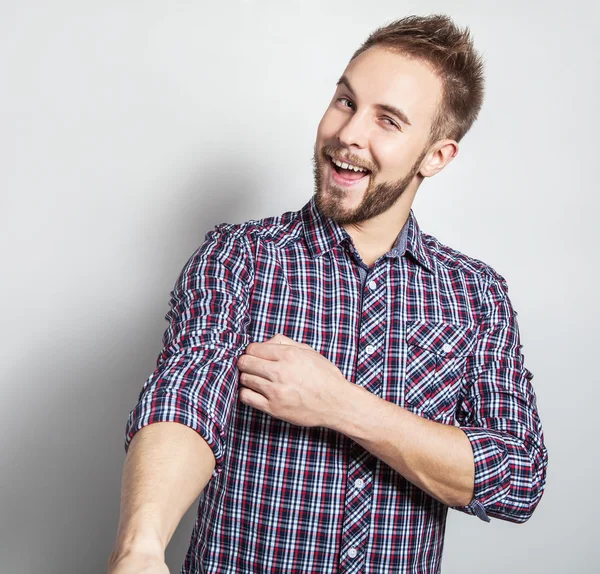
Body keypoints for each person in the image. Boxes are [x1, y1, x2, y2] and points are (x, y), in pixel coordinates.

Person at [108, 14, 548, 574]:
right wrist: (141, 544)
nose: (348, 134)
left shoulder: (475, 296)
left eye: (387, 120)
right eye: (345, 101)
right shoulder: (240, 258)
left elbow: (517, 477)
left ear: (436, 156)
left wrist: (342, 405)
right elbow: (185, 399)